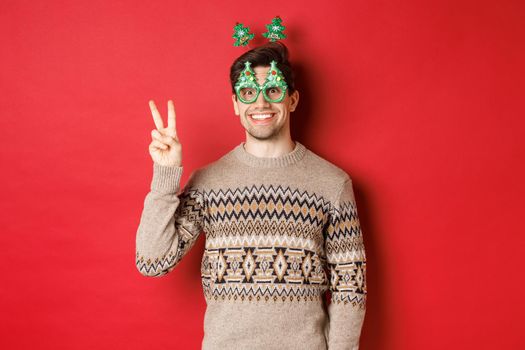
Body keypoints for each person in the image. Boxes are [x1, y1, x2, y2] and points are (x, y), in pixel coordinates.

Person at [135, 41, 367, 350]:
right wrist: (166, 175)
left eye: (273, 90)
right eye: (248, 93)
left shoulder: (332, 184)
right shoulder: (208, 182)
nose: (260, 103)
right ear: (235, 104)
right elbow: (152, 262)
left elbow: (350, 286)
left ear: (293, 99)